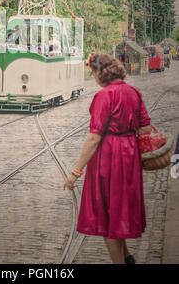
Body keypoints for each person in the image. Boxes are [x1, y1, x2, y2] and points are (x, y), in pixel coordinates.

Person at [63, 53, 151, 264]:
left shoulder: (104, 96)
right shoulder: (133, 92)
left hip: (108, 158)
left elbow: (94, 137)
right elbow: (145, 127)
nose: (93, 76)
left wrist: (76, 171)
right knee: (120, 210)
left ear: (100, 72)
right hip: (130, 157)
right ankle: (127, 257)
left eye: (93, 72)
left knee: (106, 215)